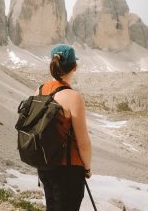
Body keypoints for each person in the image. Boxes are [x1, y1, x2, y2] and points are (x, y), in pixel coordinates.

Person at [35, 44, 92, 211]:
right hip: (68, 169)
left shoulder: (39, 90)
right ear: (75, 66)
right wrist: (87, 168)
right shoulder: (73, 97)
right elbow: (83, 142)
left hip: (45, 166)